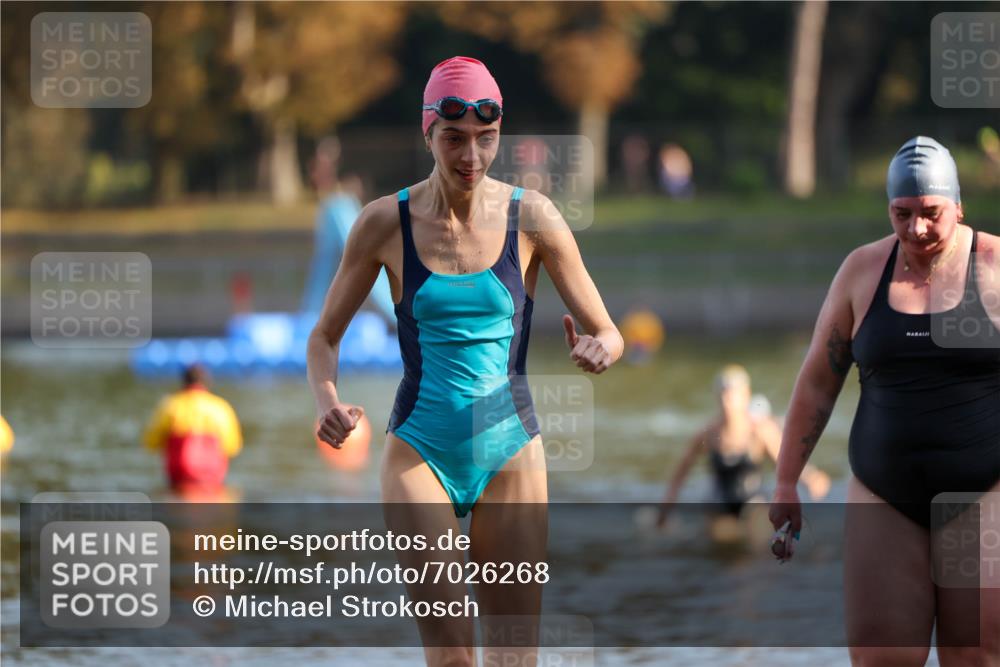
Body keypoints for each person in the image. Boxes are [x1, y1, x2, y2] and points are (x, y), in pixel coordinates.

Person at [307, 56, 623, 667]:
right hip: (418, 449)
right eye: (454, 139)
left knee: (513, 658)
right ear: (428, 133)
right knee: (451, 658)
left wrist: (599, 349)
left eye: (485, 139)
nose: (471, 157)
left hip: (509, 448)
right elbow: (324, 337)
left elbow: (609, 331)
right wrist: (327, 402)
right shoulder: (383, 223)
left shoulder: (532, 217)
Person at [769, 136, 1000, 665]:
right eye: (902, 214)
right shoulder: (862, 270)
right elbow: (817, 383)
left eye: (930, 213)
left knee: (977, 658)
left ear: (958, 205)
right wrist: (786, 479)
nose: (917, 228)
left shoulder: (994, 264)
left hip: (985, 493)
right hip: (885, 494)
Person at [656, 365, 829, 531]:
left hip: (753, 503)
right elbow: (681, 471)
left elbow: (784, 462)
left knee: (757, 534)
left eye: (732, 394)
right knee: (722, 545)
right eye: (723, 394)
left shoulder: (760, 430)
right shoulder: (708, 432)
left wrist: (811, 477)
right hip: (720, 502)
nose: (727, 400)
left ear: (746, 395)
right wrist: (666, 508)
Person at [301, 137, 396, 324]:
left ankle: (311, 315)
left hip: (339, 206)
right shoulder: (333, 204)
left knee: (357, 260)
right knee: (326, 266)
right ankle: (311, 316)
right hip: (335, 207)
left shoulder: (339, 203)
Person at [143, 364, 243, 492]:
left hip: (179, 478)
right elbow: (233, 447)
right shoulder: (221, 407)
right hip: (211, 478)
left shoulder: (170, 405)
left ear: (183, 381)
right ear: (207, 382)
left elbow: (151, 444)